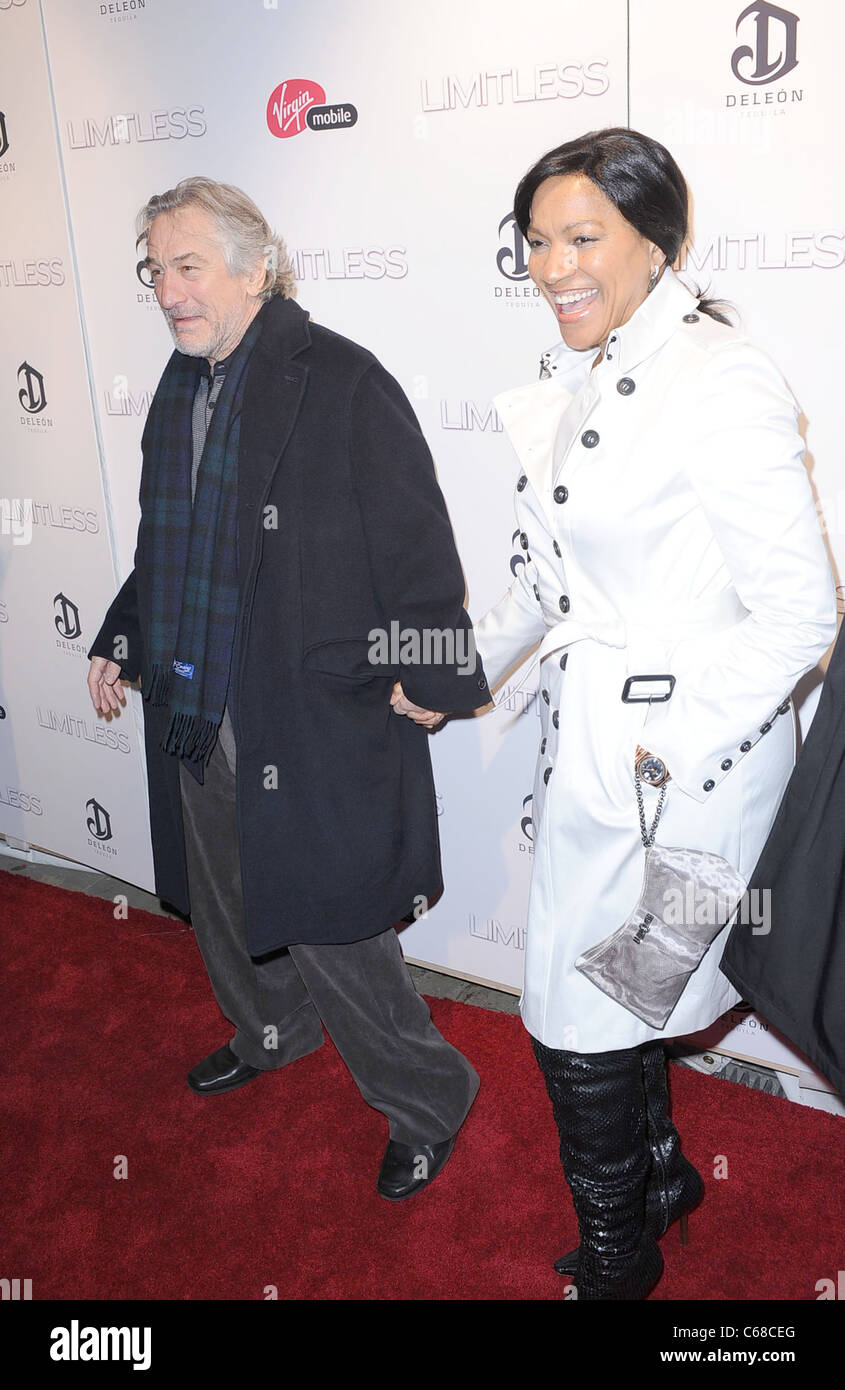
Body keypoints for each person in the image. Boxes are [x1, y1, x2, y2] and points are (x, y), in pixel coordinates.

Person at [400, 128, 836, 1296]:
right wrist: (454, 674)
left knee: (577, 1010)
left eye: (581, 237)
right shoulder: (576, 377)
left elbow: (800, 614)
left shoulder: (721, 378)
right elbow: (546, 586)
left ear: (656, 242)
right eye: (535, 241)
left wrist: (669, 750)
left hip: (692, 780)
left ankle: (619, 1251)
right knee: (593, 999)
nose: (551, 267)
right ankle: (655, 1178)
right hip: (593, 761)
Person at [87, 176, 489, 1202]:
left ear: (254, 266)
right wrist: (124, 632)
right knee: (224, 898)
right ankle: (271, 1029)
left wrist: (432, 665)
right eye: (156, 270)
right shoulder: (178, 388)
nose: (169, 291)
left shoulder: (341, 379)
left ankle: (427, 1098)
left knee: (331, 920)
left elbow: (417, 541)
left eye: (189, 265)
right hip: (193, 694)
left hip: (302, 702)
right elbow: (161, 543)